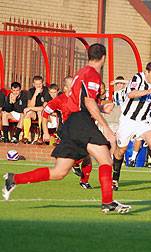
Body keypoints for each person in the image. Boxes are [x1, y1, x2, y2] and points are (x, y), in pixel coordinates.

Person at [2, 43, 131, 214]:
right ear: (104, 57)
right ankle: (107, 202)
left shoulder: (81, 73)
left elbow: (78, 102)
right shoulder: (92, 74)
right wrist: (106, 128)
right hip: (80, 122)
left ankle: (13, 179)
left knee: (59, 172)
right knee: (106, 159)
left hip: (71, 124)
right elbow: (88, 102)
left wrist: (100, 109)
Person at [112, 61, 151, 191]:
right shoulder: (137, 78)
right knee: (121, 151)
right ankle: (115, 178)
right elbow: (130, 94)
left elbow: (147, 103)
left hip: (143, 120)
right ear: (146, 72)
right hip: (128, 120)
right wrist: (148, 91)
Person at [42, 76, 94, 190]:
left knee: (87, 156)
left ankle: (84, 181)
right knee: (84, 154)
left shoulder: (81, 98)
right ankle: (74, 164)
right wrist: (45, 132)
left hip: (81, 131)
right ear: (65, 88)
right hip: (66, 132)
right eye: (73, 85)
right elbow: (45, 114)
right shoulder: (59, 100)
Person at [22, 75, 52, 144]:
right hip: (34, 112)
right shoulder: (31, 91)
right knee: (28, 113)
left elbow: (44, 107)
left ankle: (41, 136)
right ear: (33, 84)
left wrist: (30, 108)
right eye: (36, 84)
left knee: (40, 112)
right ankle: (26, 137)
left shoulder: (46, 91)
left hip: (43, 113)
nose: (38, 86)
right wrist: (35, 94)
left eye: (40, 84)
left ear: (42, 83)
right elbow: (30, 105)